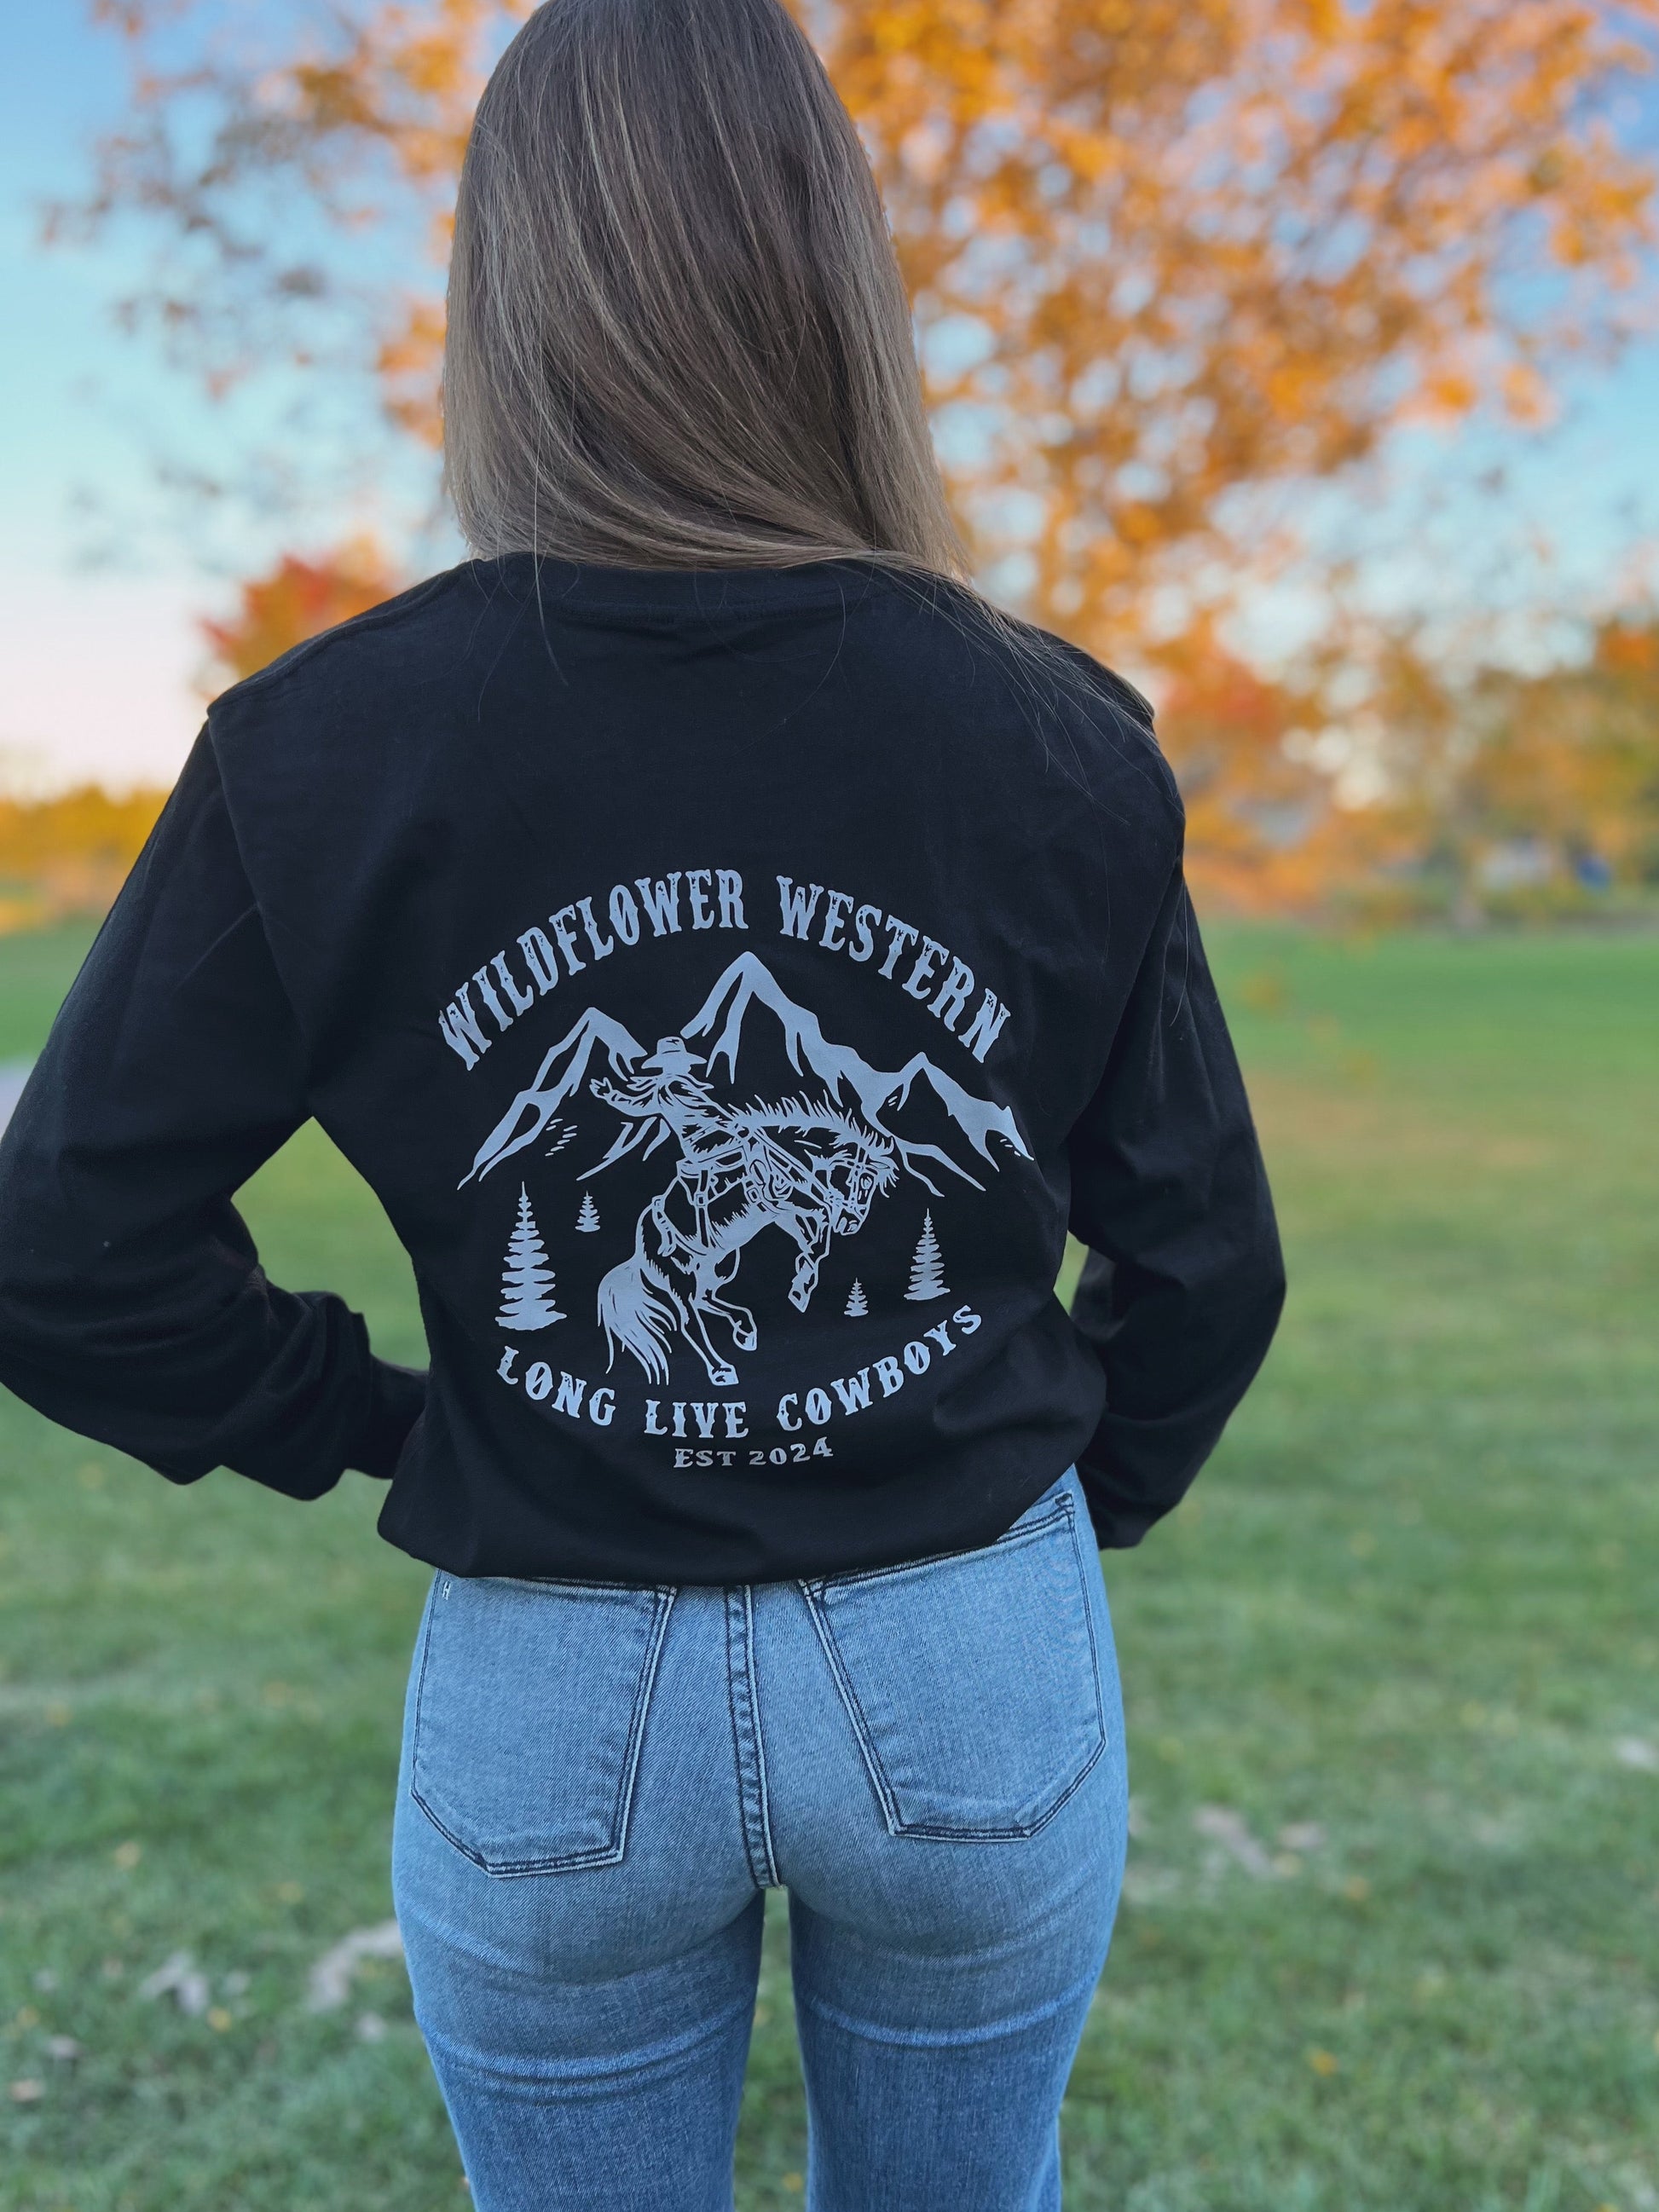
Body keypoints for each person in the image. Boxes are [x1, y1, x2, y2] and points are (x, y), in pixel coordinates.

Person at [0, 1, 1286, 2203]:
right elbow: (1204, 1262)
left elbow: (57, 1249)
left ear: (506, 299)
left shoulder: (323, 744)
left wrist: (389, 1422)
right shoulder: (1053, 732)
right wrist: (1059, 1499)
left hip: (554, 1679)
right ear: (837, 279)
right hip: (968, 1649)